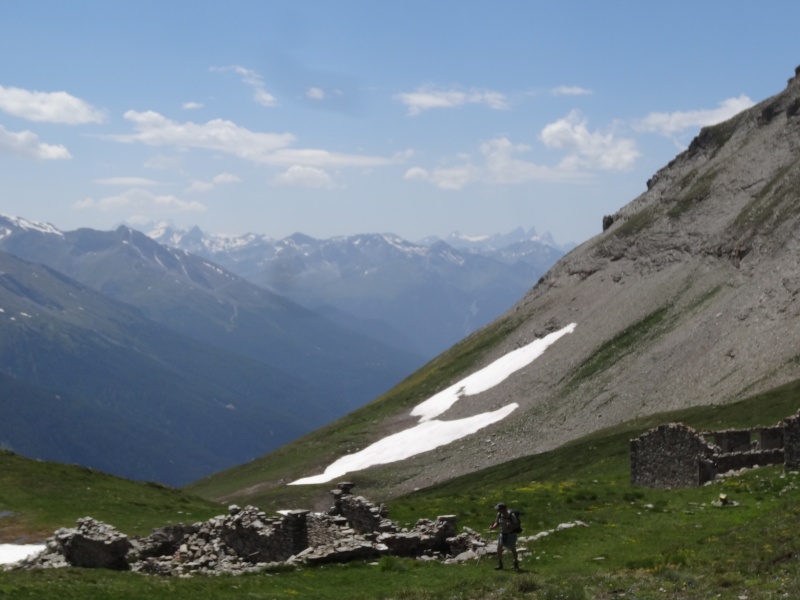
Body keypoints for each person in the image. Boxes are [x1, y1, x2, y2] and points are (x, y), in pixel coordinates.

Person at [489, 502, 519, 570]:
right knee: (499, 547)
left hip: (511, 534)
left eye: (499, 509)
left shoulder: (511, 515)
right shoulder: (499, 514)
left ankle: (515, 563)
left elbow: (517, 525)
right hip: (502, 533)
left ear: (504, 509)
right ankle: (500, 564)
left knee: (512, 548)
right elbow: (497, 522)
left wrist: (510, 525)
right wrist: (493, 527)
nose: (498, 511)